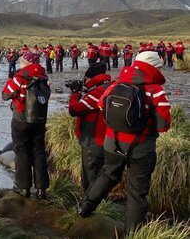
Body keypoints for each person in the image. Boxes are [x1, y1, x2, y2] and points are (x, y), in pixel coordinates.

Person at [77, 51, 172, 233]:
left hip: (112, 142)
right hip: (141, 147)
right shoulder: (156, 90)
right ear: (153, 67)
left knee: (107, 175)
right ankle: (132, 234)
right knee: (136, 193)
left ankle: (83, 208)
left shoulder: (116, 83)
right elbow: (163, 125)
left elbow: (101, 106)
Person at [2, 51, 50, 199]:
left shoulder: (20, 77)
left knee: (22, 152)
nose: (21, 62)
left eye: (23, 60)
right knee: (39, 151)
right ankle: (41, 189)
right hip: (39, 120)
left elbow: (5, 94)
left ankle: (24, 188)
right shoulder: (44, 77)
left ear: (27, 63)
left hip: (21, 120)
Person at [68, 63, 111, 191]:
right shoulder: (109, 87)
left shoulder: (97, 93)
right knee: (102, 175)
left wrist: (75, 93)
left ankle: (90, 205)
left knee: (90, 174)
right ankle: (101, 201)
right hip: (108, 139)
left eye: (85, 79)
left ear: (92, 78)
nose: (84, 81)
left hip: (94, 140)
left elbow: (74, 110)